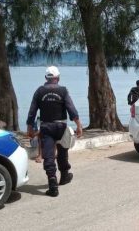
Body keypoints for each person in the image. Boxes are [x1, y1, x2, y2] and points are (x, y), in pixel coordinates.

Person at [27, 66, 83, 197]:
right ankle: (64, 176)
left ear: (46, 78)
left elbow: (32, 111)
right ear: (58, 78)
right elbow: (71, 109)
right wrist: (79, 125)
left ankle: (52, 184)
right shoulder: (63, 91)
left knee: (48, 155)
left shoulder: (39, 91)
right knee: (63, 151)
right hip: (61, 126)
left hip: (46, 127)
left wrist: (30, 127)